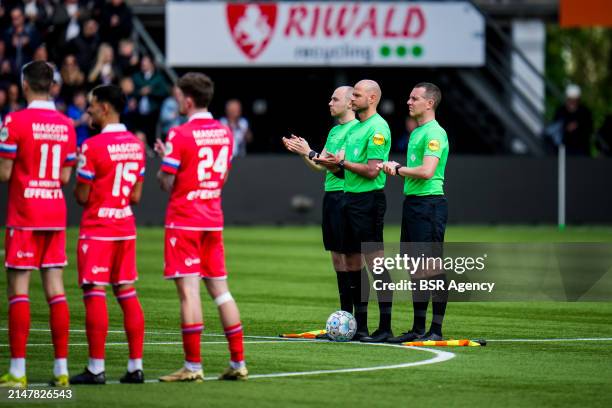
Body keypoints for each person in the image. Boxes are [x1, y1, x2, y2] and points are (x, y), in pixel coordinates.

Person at [154, 72, 247, 381]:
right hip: (212, 217)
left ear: (189, 99)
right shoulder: (225, 133)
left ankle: (193, 366)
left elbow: (167, 183)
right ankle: (238, 363)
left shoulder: (179, 134)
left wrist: (165, 162)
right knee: (221, 292)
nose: (177, 101)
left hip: (185, 219)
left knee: (189, 294)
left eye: (179, 97)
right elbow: (223, 176)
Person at [0, 61, 77, 388]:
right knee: (55, 291)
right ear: (53, 86)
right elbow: (64, 176)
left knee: (19, 292)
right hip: (54, 212)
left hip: (25, 214)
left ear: (25, 85)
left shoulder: (14, 121)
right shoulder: (67, 125)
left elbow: (4, 173)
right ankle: (61, 369)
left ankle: (18, 371)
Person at [69, 84, 146, 385]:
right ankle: (135, 366)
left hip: (98, 228)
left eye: (91, 104)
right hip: (125, 225)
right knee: (127, 294)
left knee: (95, 293)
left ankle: (96, 368)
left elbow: (81, 196)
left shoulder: (92, 146)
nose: (87, 109)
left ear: (104, 107)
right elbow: (136, 197)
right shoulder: (136, 145)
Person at [315, 79, 393, 343]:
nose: (352, 100)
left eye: (357, 95)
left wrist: (343, 162)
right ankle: (357, 326)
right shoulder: (355, 128)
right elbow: (340, 169)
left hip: (369, 200)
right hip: (349, 199)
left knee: (376, 263)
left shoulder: (378, 127)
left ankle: (384, 327)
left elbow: (372, 171)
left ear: (371, 98)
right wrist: (327, 161)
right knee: (351, 262)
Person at [379, 82, 450, 342]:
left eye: (414, 98)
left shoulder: (434, 133)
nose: (408, 102)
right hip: (414, 204)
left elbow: (427, 171)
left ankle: (436, 329)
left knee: (431, 267)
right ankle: (419, 329)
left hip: (429, 204)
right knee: (414, 268)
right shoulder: (418, 132)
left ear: (429, 103)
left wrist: (397, 169)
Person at [282, 86, 359, 315]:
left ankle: (359, 318)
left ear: (349, 103)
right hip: (332, 197)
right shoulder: (335, 131)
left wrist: (310, 151)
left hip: (348, 195)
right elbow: (318, 165)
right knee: (337, 258)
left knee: (351, 259)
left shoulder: (356, 130)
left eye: (334, 99)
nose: (330, 103)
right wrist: (303, 152)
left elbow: (337, 164)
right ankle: (346, 316)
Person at [132, 55, 167, 148]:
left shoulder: (158, 77)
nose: (143, 64)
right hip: (139, 110)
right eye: (143, 62)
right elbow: (131, 90)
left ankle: (152, 148)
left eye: (146, 62)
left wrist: (151, 91)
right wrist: (139, 93)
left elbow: (164, 92)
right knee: (139, 130)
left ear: (152, 64)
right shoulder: (137, 76)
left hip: (153, 109)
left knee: (152, 130)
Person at [552, 84, 593, 156]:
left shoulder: (585, 112)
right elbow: (555, 127)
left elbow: (589, 128)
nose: (572, 102)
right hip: (563, 149)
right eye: (570, 99)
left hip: (581, 149)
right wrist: (566, 128)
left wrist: (578, 126)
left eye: (574, 99)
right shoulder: (560, 111)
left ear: (578, 99)